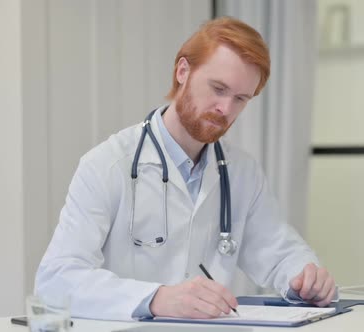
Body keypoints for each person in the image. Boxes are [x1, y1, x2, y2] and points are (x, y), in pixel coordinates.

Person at [35, 16, 336, 321]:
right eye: (218, 89)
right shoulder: (108, 165)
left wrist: (306, 278)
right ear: (183, 71)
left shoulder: (242, 172)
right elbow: (55, 280)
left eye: (241, 99)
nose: (226, 109)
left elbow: (278, 252)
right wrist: (156, 299)